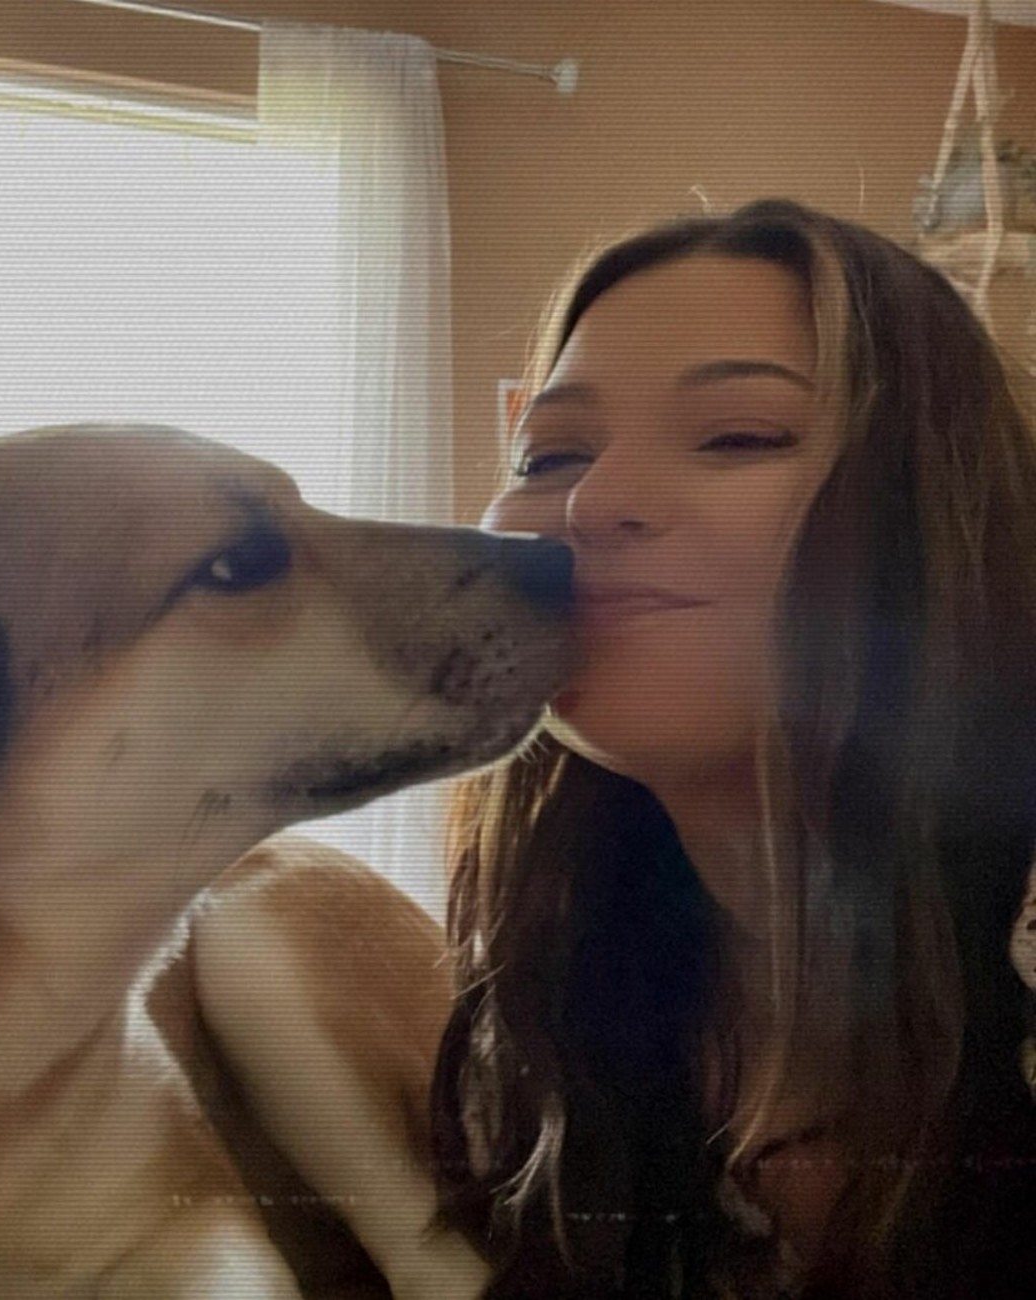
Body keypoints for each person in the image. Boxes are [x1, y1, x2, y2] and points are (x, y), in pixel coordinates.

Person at [428, 199, 1036, 1299]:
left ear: (943, 510)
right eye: (551, 453)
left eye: (739, 436)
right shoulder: (536, 1026)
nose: (594, 501)